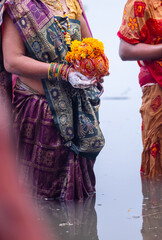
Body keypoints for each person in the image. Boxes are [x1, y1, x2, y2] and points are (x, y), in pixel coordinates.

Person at [1, 0, 105, 200]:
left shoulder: (71, 3)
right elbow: (12, 61)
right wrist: (62, 72)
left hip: (77, 110)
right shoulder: (19, 6)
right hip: (38, 110)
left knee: (78, 200)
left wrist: (95, 69)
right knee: (37, 196)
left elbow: (89, 47)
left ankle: (79, 229)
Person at [118, 0, 162, 177]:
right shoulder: (142, 3)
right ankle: (156, 203)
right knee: (157, 152)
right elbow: (125, 50)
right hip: (157, 85)